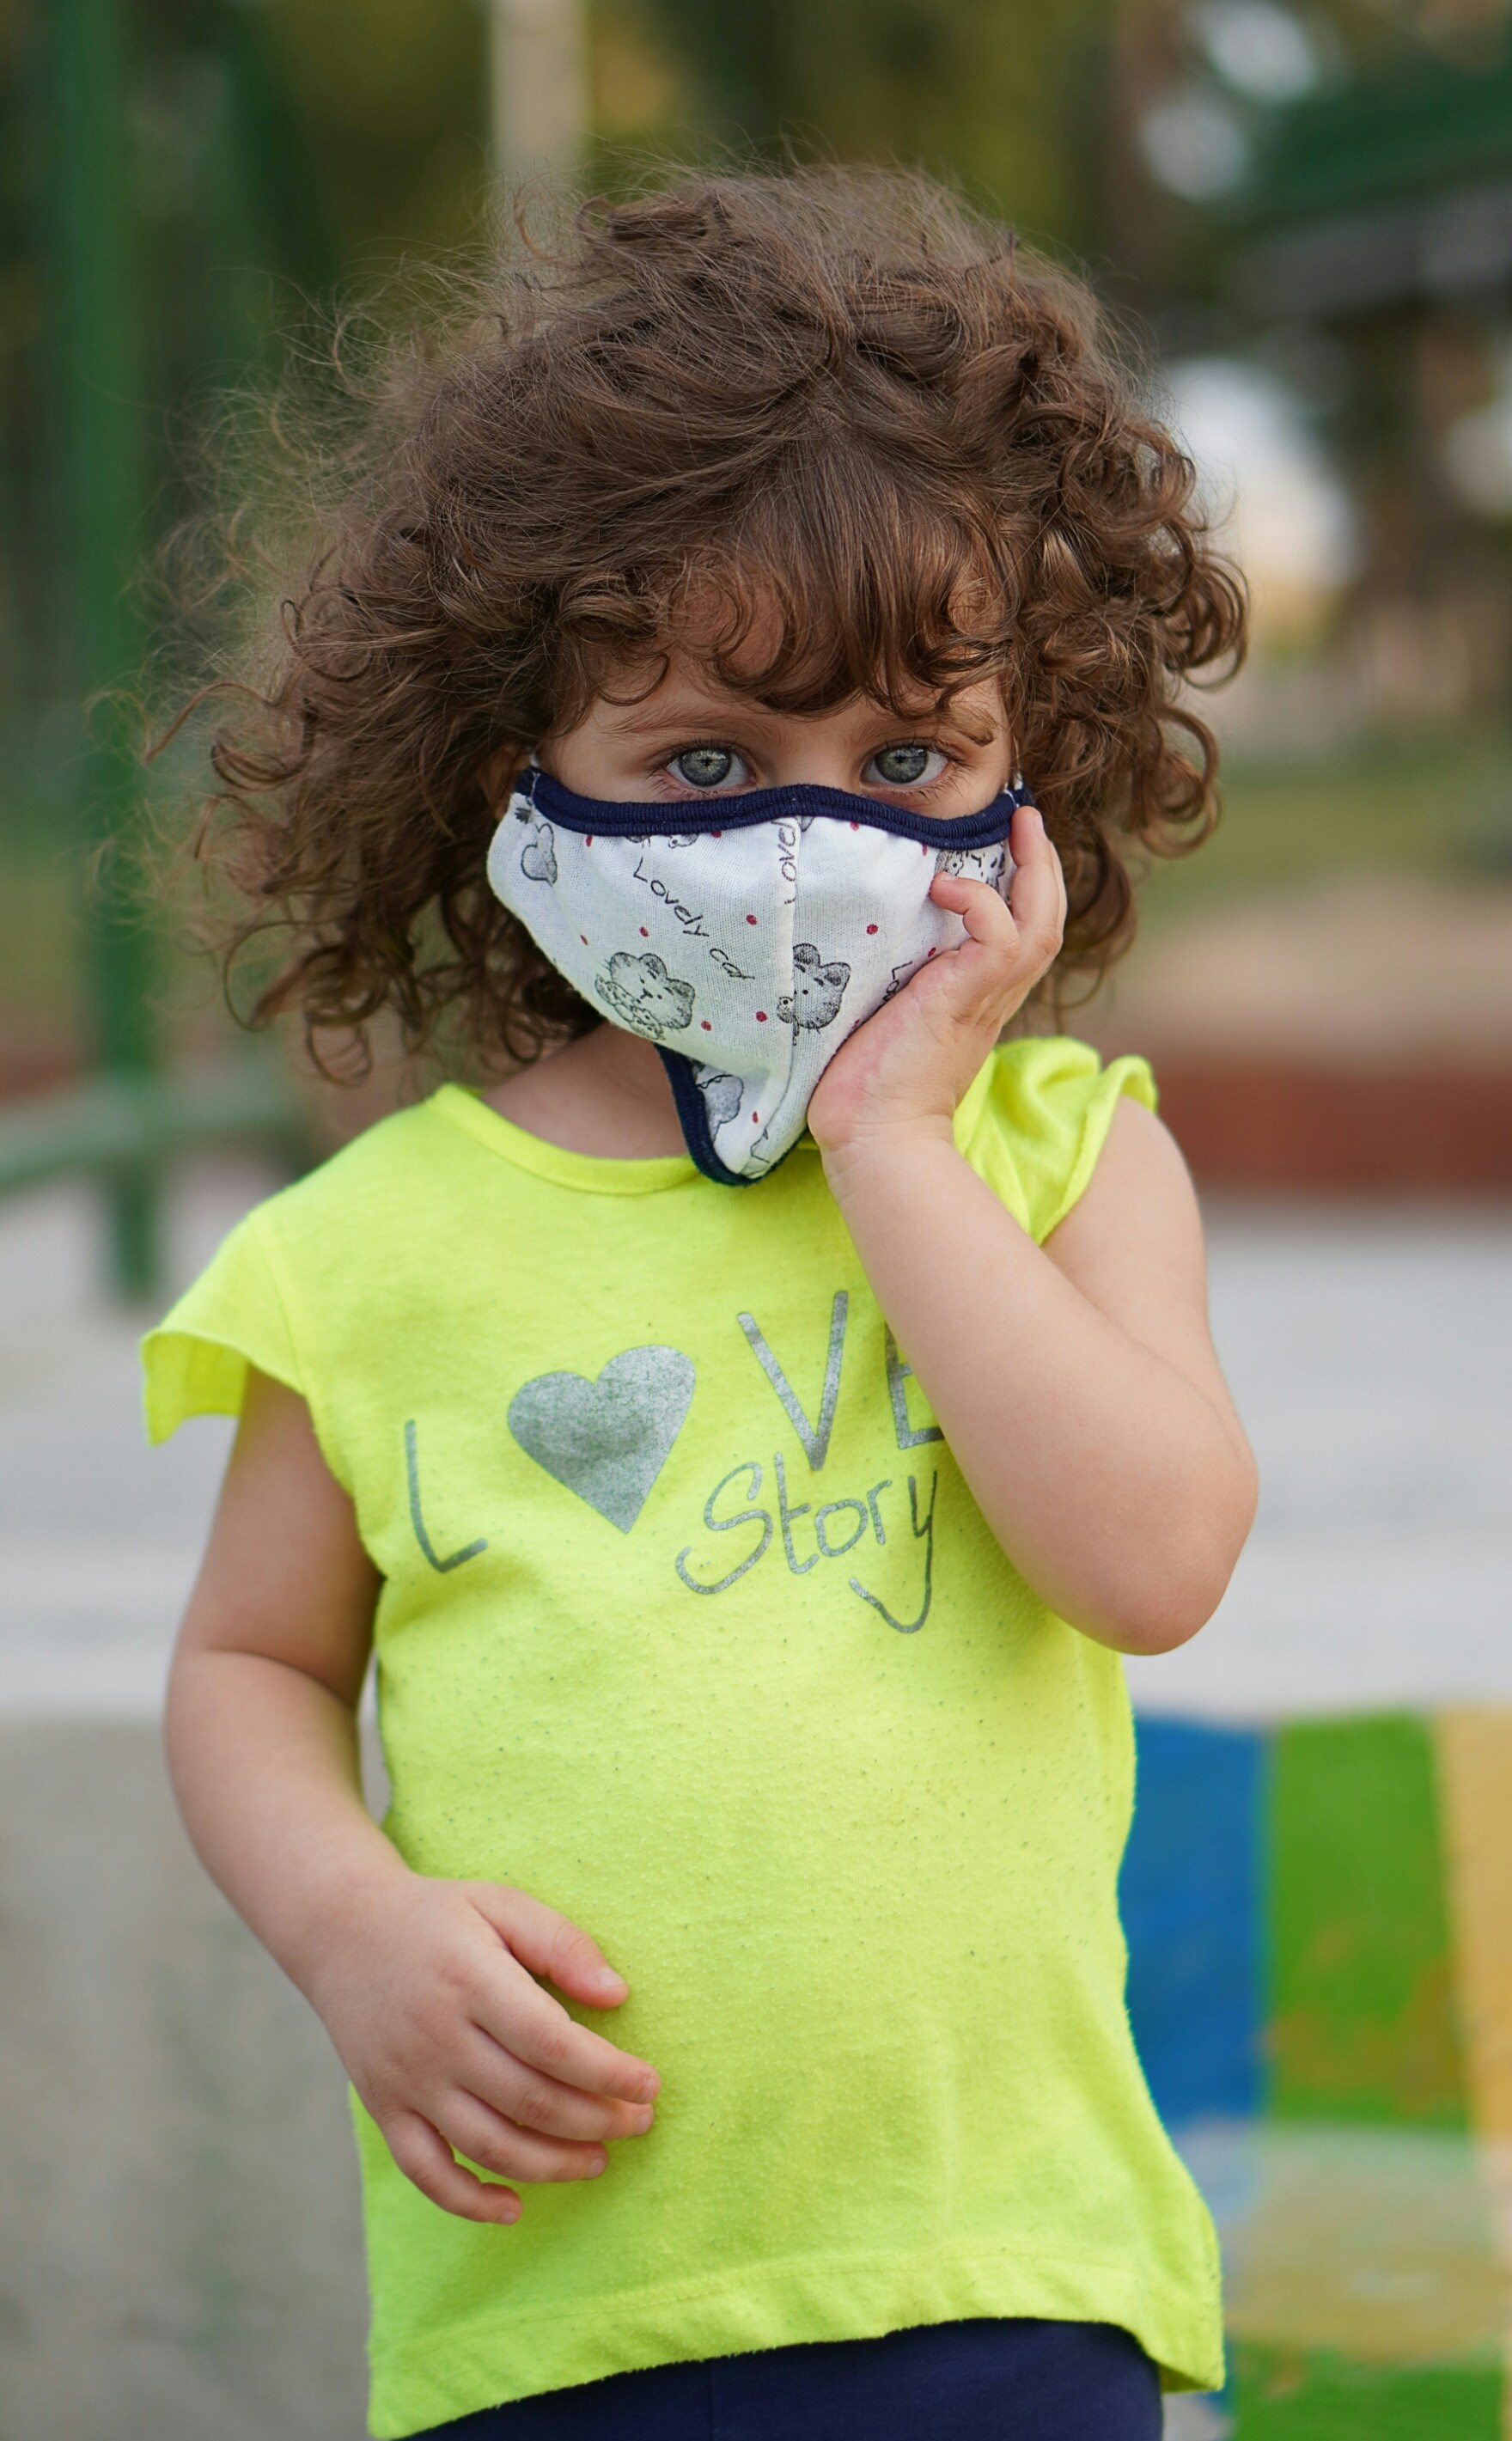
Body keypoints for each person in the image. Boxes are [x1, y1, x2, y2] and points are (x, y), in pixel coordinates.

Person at [145, 168, 1255, 2441]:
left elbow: (1150, 1559)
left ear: (1029, 765)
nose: (816, 854)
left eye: (908, 764)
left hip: (1001, 2273)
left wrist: (894, 1141)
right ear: (515, 788)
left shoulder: (1065, 1161)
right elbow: (253, 1663)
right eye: (714, 769)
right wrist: (348, 1921)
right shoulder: (368, 1255)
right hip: (560, 2315)